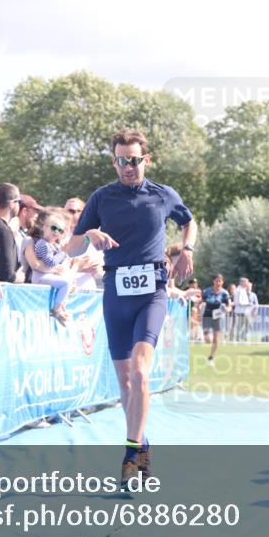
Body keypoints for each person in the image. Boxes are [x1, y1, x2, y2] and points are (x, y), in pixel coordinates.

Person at [65, 128, 196, 488]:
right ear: (114, 162)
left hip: (152, 292)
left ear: (145, 160)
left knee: (140, 373)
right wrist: (89, 235)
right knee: (125, 382)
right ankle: (142, 442)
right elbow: (70, 248)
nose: (127, 167)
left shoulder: (162, 194)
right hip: (116, 293)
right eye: (121, 161)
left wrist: (187, 250)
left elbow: (189, 222)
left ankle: (130, 455)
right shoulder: (102, 197)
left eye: (134, 160)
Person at [32, 209, 77, 325]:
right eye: (53, 228)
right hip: (40, 277)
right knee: (66, 283)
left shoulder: (55, 245)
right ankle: (57, 309)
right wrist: (63, 252)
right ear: (44, 228)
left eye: (60, 230)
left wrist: (64, 254)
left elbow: (61, 260)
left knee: (70, 283)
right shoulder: (42, 244)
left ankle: (61, 307)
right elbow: (51, 262)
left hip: (49, 275)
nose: (56, 231)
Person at [200, 274, 231, 361]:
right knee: (208, 340)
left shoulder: (225, 293)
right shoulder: (207, 291)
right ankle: (207, 334)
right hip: (207, 316)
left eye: (220, 281)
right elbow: (200, 302)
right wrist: (198, 308)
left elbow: (229, 305)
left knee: (216, 340)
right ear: (213, 281)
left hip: (218, 317)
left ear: (222, 282)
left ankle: (211, 358)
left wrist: (227, 309)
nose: (218, 283)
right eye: (216, 281)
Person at [233, 277, 252, 342]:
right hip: (241, 311)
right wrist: (247, 304)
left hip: (244, 311)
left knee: (246, 325)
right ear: (242, 282)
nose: (247, 283)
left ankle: (240, 337)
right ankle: (239, 338)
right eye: (246, 282)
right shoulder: (239, 290)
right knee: (243, 325)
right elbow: (239, 302)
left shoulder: (242, 290)